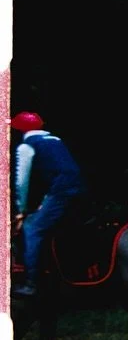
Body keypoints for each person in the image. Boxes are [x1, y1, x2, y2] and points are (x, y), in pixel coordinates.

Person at [10, 111, 89, 296]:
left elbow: (21, 182)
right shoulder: (55, 140)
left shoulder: (26, 146)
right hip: (80, 190)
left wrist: (21, 209)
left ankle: (31, 283)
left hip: (61, 191)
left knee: (32, 228)